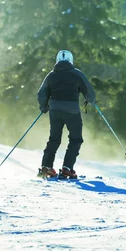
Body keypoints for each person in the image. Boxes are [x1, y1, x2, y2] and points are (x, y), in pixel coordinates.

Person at [37, 50, 96, 179]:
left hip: (55, 110)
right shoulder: (77, 74)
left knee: (54, 139)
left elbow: (42, 93)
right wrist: (92, 100)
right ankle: (67, 168)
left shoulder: (51, 75)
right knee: (75, 139)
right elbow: (89, 91)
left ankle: (46, 167)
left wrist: (44, 107)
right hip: (72, 111)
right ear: (71, 60)